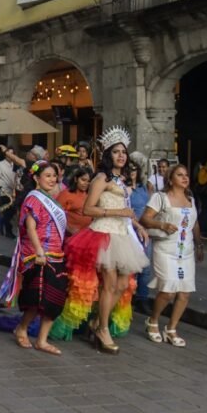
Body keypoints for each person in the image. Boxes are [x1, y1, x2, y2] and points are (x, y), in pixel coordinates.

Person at [50, 127, 149, 353]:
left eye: (124, 152)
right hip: (104, 234)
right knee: (110, 284)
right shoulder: (101, 177)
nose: (121, 156)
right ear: (108, 155)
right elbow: (89, 208)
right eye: (116, 152)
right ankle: (103, 329)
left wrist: (137, 225)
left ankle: (97, 323)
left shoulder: (122, 180)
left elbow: (125, 210)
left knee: (123, 285)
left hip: (122, 234)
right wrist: (118, 214)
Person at [1, 161, 68, 355]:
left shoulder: (53, 200)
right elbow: (30, 227)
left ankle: (42, 340)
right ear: (37, 178)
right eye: (47, 175)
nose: (52, 179)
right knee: (37, 298)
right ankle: (22, 328)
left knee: (54, 299)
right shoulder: (34, 199)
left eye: (54, 176)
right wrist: (39, 250)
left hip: (56, 254)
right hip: (39, 255)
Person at [140, 164, 203, 347]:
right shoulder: (160, 197)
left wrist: (199, 244)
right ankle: (153, 321)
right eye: (179, 175)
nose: (184, 178)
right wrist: (162, 225)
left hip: (186, 251)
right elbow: (144, 219)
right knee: (167, 290)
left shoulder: (190, 198)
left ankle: (172, 328)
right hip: (166, 248)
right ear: (170, 178)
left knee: (184, 292)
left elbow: (195, 223)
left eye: (186, 175)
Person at [127, 161, 153, 315]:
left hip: (144, 231)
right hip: (130, 229)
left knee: (146, 267)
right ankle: (128, 297)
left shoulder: (143, 188)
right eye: (129, 170)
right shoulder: (124, 189)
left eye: (134, 170)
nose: (131, 172)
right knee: (131, 267)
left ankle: (142, 299)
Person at [57, 168, 92, 236]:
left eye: (89, 181)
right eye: (83, 180)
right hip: (70, 236)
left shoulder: (91, 195)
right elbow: (56, 215)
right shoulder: (66, 194)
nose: (86, 183)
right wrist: (69, 229)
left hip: (88, 235)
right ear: (76, 179)